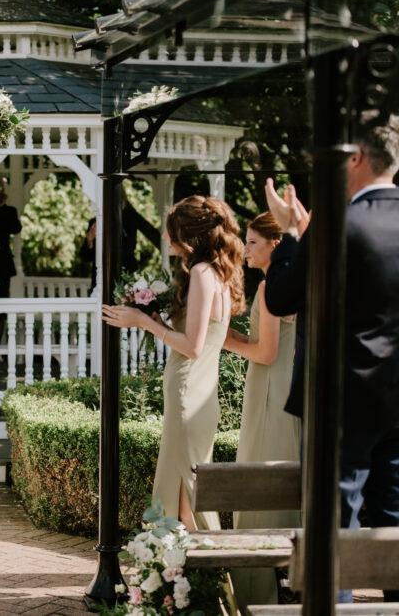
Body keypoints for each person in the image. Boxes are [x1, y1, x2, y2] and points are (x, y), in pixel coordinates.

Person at [263, 121, 399, 603]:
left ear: (357, 157)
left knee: (335, 525)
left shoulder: (337, 226)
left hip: (342, 402)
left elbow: (281, 298)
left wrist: (291, 235)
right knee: (395, 523)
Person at [102, 196, 245, 530]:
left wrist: (143, 322)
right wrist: (162, 323)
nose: (165, 238)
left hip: (187, 393)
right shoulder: (218, 273)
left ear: (187, 234)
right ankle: (186, 576)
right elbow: (202, 339)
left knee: (187, 504)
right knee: (185, 496)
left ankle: (206, 575)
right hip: (200, 394)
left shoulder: (200, 272)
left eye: (170, 232)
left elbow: (193, 347)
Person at [222, 212, 300, 610]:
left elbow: (264, 353)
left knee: (258, 488)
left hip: (270, 391)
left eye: (252, 242)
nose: (245, 249)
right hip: (288, 388)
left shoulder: (272, 286)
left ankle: (257, 594)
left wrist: (225, 340)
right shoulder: (296, 283)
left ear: (275, 243)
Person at [78, 217, 97, 288]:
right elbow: (85, 257)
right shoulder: (94, 222)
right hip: (97, 280)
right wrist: (89, 240)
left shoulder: (128, 215)